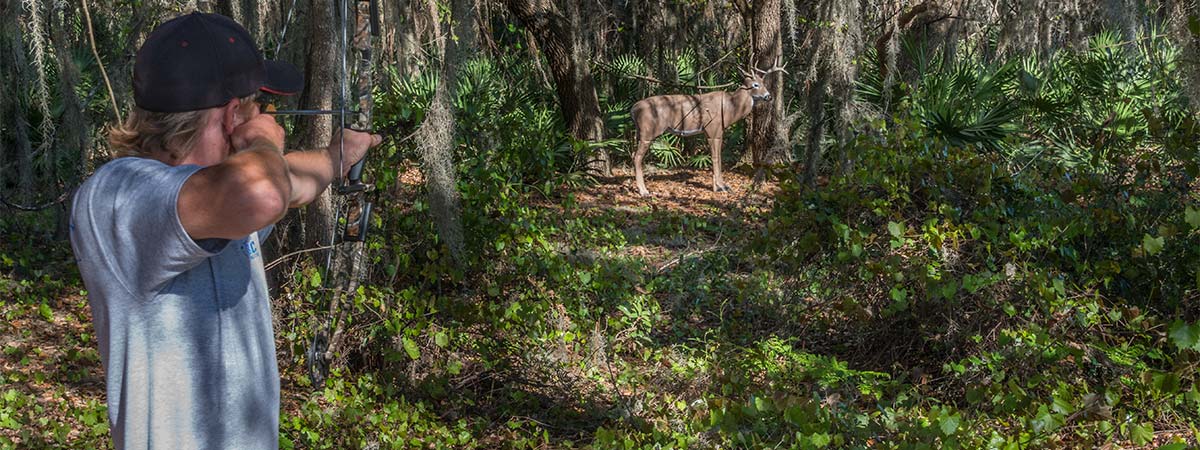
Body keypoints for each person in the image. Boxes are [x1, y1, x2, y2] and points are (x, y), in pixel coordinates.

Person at [69, 12, 381, 449]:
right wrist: (263, 143)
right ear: (234, 116)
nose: (269, 118)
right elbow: (264, 192)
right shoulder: (119, 193)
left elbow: (292, 181)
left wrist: (338, 156)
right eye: (259, 108)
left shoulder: (221, 194)